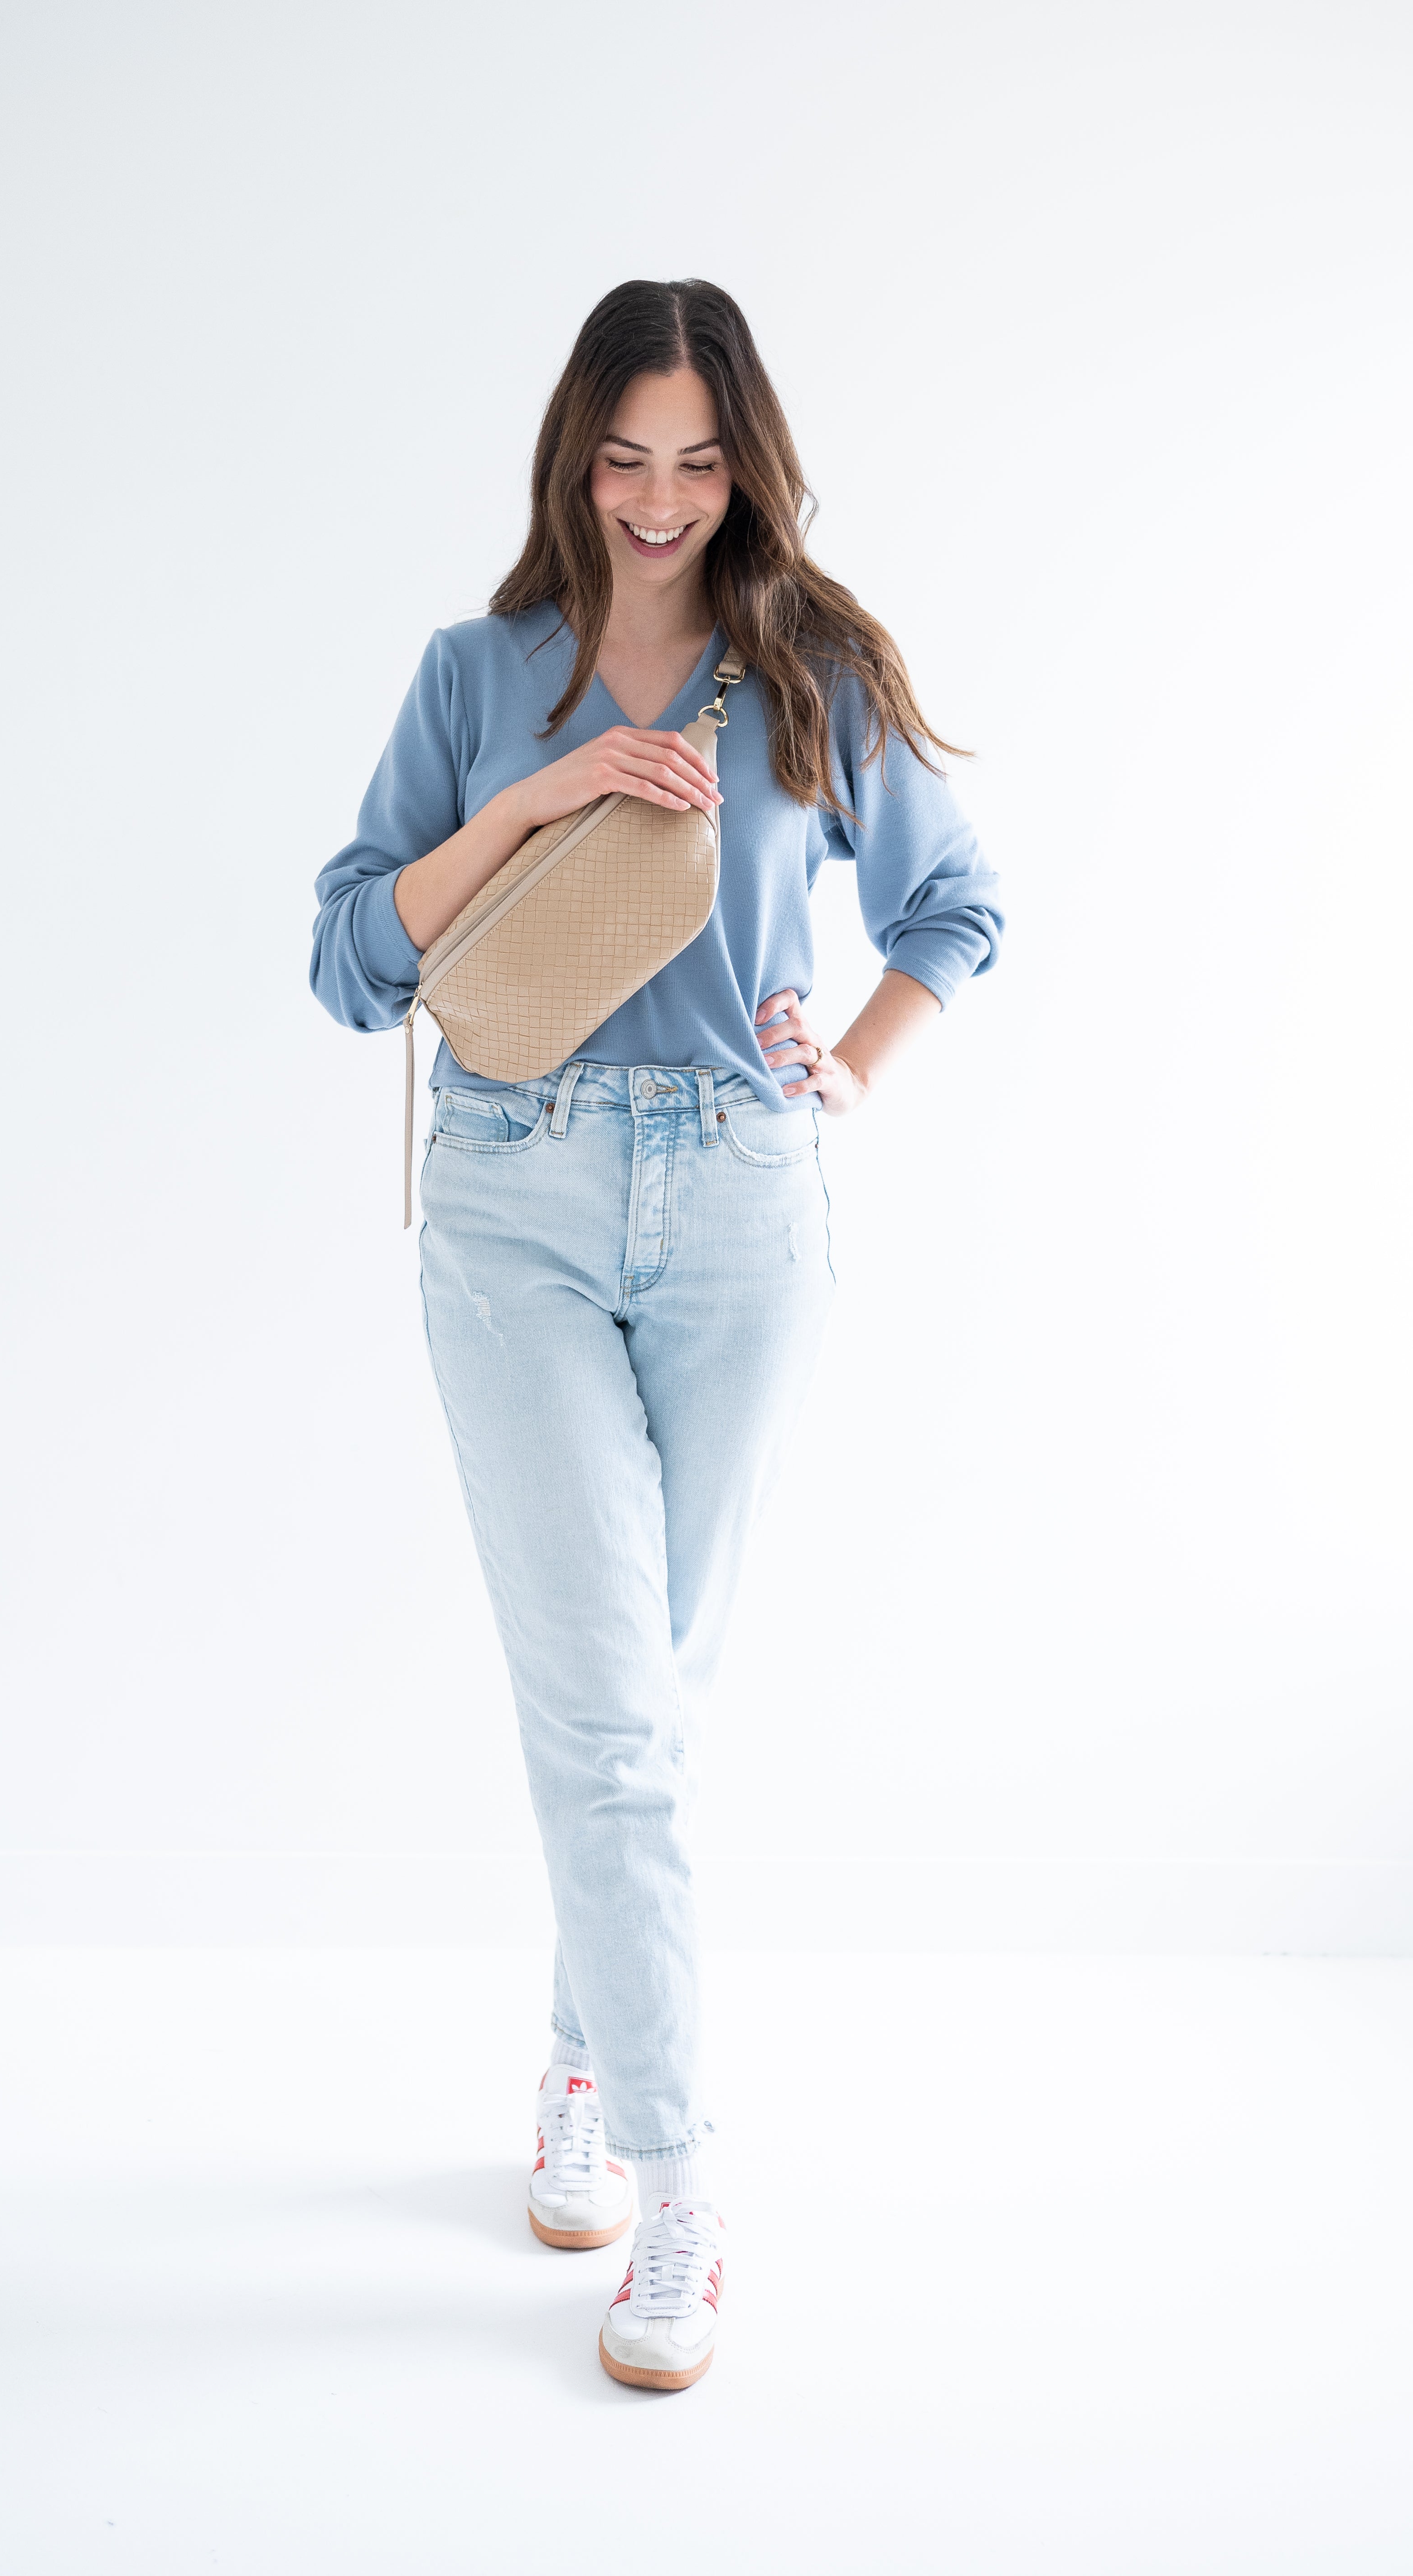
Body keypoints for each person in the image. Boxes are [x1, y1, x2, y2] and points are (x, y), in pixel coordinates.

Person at [310, 277, 1002, 2391]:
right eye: (628, 456)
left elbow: (958, 908)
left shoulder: (811, 669)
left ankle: (579, 2067)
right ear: (573, 455)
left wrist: (848, 1065)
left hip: (736, 1197)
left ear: (747, 462)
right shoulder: (478, 671)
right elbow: (347, 959)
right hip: (511, 1194)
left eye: (701, 459)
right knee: (611, 1712)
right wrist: (521, 807)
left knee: (652, 1699)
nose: (662, 498)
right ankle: (689, 2188)